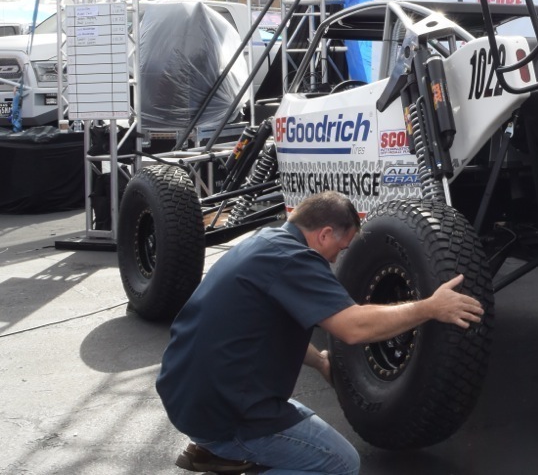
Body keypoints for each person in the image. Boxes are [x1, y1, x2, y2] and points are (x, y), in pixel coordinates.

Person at [157, 191, 483, 475]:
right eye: (341, 248)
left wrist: (320, 361)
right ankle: (226, 446)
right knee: (340, 464)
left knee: (305, 419)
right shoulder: (295, 259)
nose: (338, 258)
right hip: (222, 415)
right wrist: (429, 307)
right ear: (324, 234)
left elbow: (261, 328)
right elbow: (354, 327)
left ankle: (216, 451)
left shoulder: (263, 243)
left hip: (186, 395)